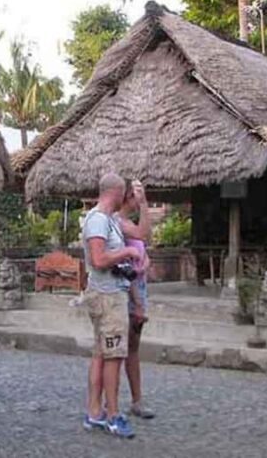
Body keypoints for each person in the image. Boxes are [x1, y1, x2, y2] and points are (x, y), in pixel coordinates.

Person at [81, 171, 142, 438]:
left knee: (100, 354)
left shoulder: (106, 220)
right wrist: (127, 252)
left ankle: (95, 413)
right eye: (124, 194)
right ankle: (114, 415)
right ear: (116, 193)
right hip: (108, 298)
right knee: (114, 356)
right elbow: (98, 259)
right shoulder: (98, 220)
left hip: (106, 294)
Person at [115, 180, 154, 420]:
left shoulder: (128, 222)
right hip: (130, 290)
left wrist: (146, 259)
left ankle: (136, 399)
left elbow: (142, 244)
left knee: (133, 348)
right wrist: (145, 204)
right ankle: (114, 403)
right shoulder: (119, 223)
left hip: (139, 285)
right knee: (123, 348)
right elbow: (144, 233)